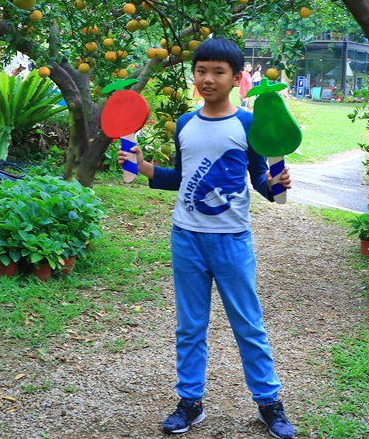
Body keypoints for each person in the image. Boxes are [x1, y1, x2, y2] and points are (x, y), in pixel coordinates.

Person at [118, 38, 295, 438]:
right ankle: (190, 402)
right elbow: (180, 179)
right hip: (187, 238)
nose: (208, 78)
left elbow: (260, 184)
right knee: (190, 325)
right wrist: (143, 166)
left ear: (236, 78)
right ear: (193, 76)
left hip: (231, 239)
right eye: (201, 71)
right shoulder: (185, 123)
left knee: (248, 324)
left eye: (218, 71)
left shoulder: (249, 124)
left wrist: (275, 183)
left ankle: (270, 404)